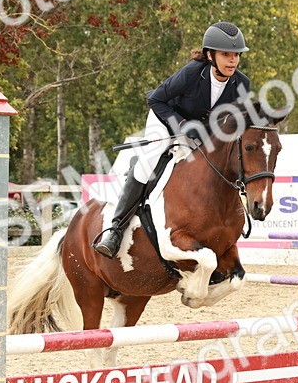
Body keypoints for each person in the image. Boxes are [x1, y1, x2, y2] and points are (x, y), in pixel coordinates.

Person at [92, 21, 251, 258]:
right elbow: (156, 100)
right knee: (148, 164)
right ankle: (115, 230)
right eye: (226, 54)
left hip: (201, 132)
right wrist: (181, 125)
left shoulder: (242, 84)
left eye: (236, 55)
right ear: (210, 55)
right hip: (165, 120)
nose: (233, 61)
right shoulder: (191, 74)